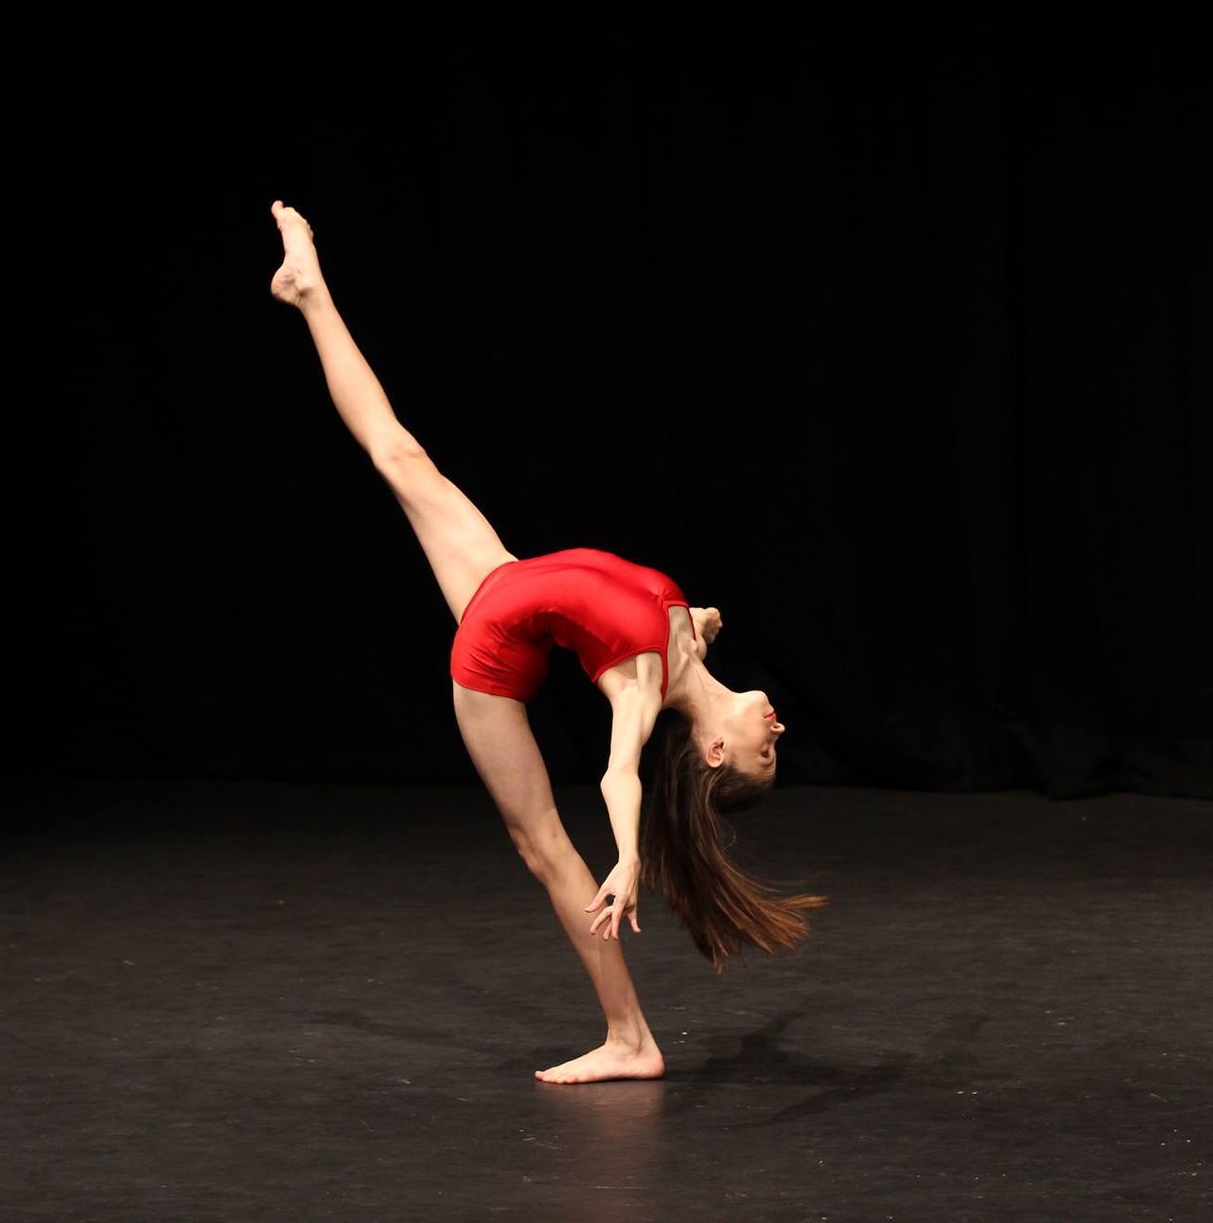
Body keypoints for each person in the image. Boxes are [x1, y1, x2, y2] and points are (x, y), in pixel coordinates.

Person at [269, 200, 827, 1084]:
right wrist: (700, 622)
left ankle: (631, 1040)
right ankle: (311, 292)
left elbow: (618, 773)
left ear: (716, 751)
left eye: (766, 754)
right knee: (397, 454)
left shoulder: (645, 684)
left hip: (487, 658)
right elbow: (654, 617)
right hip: (504, 588)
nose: (779, 734)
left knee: (545, 849)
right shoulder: (687, 644)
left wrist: (630, 855)